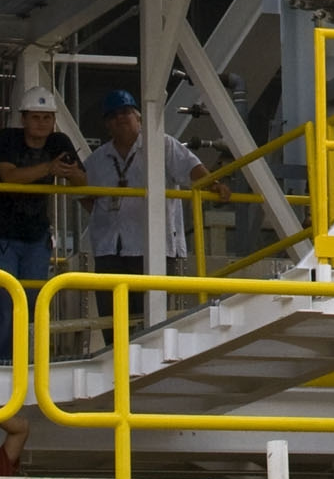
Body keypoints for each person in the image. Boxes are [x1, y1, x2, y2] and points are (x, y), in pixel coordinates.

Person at [84, 90, 228, 318]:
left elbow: (192, 169)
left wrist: (214, 184)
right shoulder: (97, 159)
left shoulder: (163, 145)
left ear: (138, 117)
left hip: (153, 246)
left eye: (125, 112)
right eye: (113, 115)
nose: (120, 118)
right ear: (106, 124)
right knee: (111, 316)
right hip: (111, 248)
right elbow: (84, 195)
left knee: (149, 317)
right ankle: (115, 352)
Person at [0, 87, 83, 364]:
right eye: (35, 117)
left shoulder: (59, 141)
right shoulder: (8, 138)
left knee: (33, 303)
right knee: (2, 303)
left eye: (46, 117)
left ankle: (28, 364)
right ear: (23, 119)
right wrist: (50, 169)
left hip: (37, 236)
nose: (41, 123)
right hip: (3, 235)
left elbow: (84, 182)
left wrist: (71, 172)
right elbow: (9, 177)